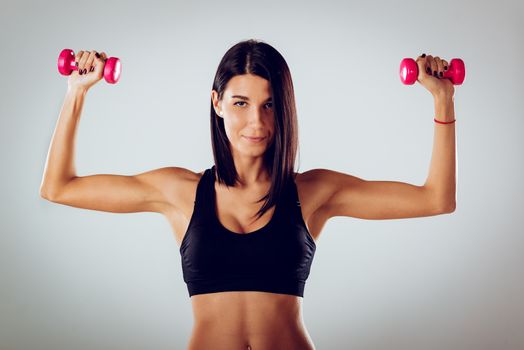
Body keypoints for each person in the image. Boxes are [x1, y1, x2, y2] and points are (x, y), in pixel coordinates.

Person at [40, 39, 456, 350]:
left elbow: (436, 198)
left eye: (270, 105)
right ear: (217, 103)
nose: (255, 121)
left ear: (285, 109)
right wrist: (77, 91)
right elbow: (59, 187)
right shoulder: (178, 192)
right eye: (241, 102)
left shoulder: (314, 192)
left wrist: (443, 99)